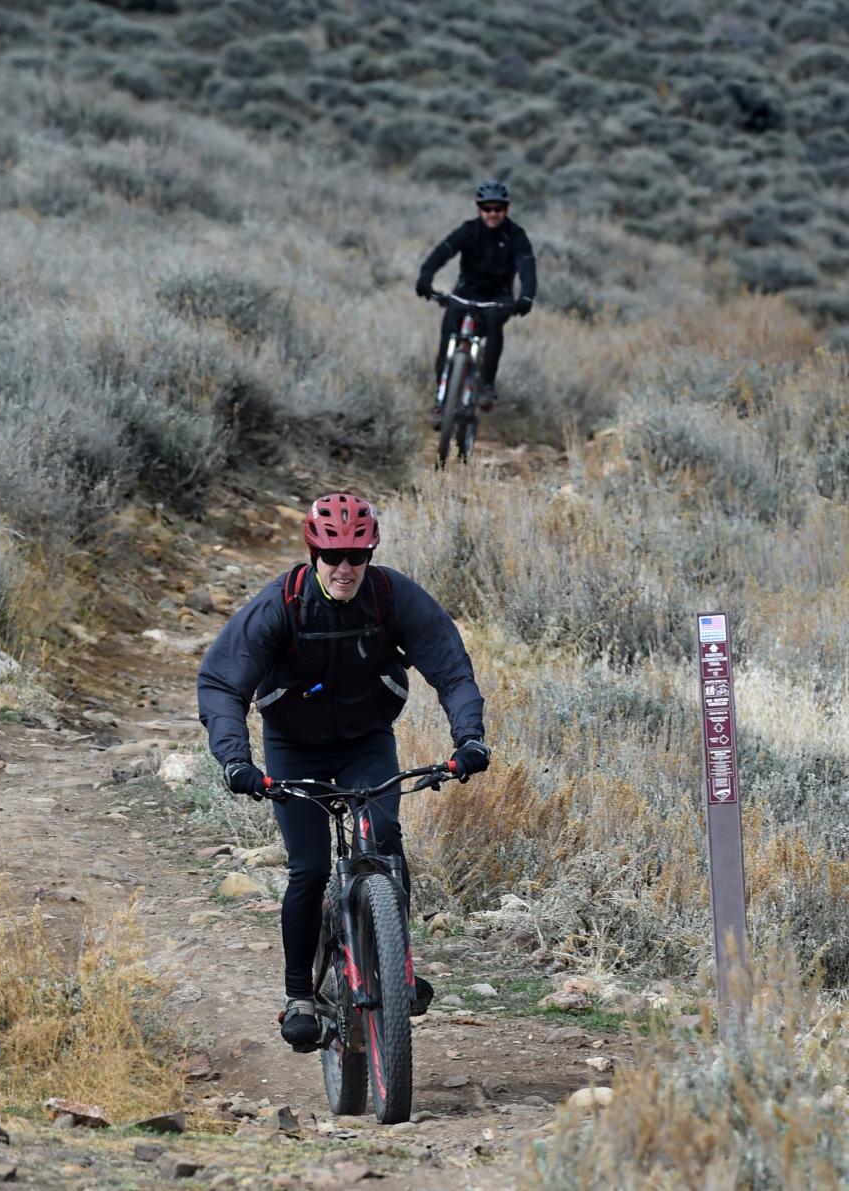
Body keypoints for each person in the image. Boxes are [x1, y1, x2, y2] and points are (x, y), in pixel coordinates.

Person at [197, 493, 490, 1048]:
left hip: (365, 743)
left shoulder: (391, 597)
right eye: (332, 555)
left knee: (382, 840)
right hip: (294, 747)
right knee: (308, 869)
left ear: (371, 551)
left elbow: (451, 667)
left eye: (357, 554)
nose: (345, 568)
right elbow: (221, 684)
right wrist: (236, 759)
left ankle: (395, 965)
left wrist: (469, 738)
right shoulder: (279, 605)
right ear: (313, 552)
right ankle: (298, 995)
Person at [415, 179, 536, 415]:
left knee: (493, 325)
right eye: (487, 208)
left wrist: (527, 296)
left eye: (497, 209)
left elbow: (527, 267)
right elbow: (442, 252)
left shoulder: (516, 235)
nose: (492, 214)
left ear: (506, 209)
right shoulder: (468, 230)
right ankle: (441, 399)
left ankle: (487, 386)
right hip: (465, 294)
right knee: (447, 336)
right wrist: (425, 277)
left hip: (497, 298)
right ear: (479, 208)